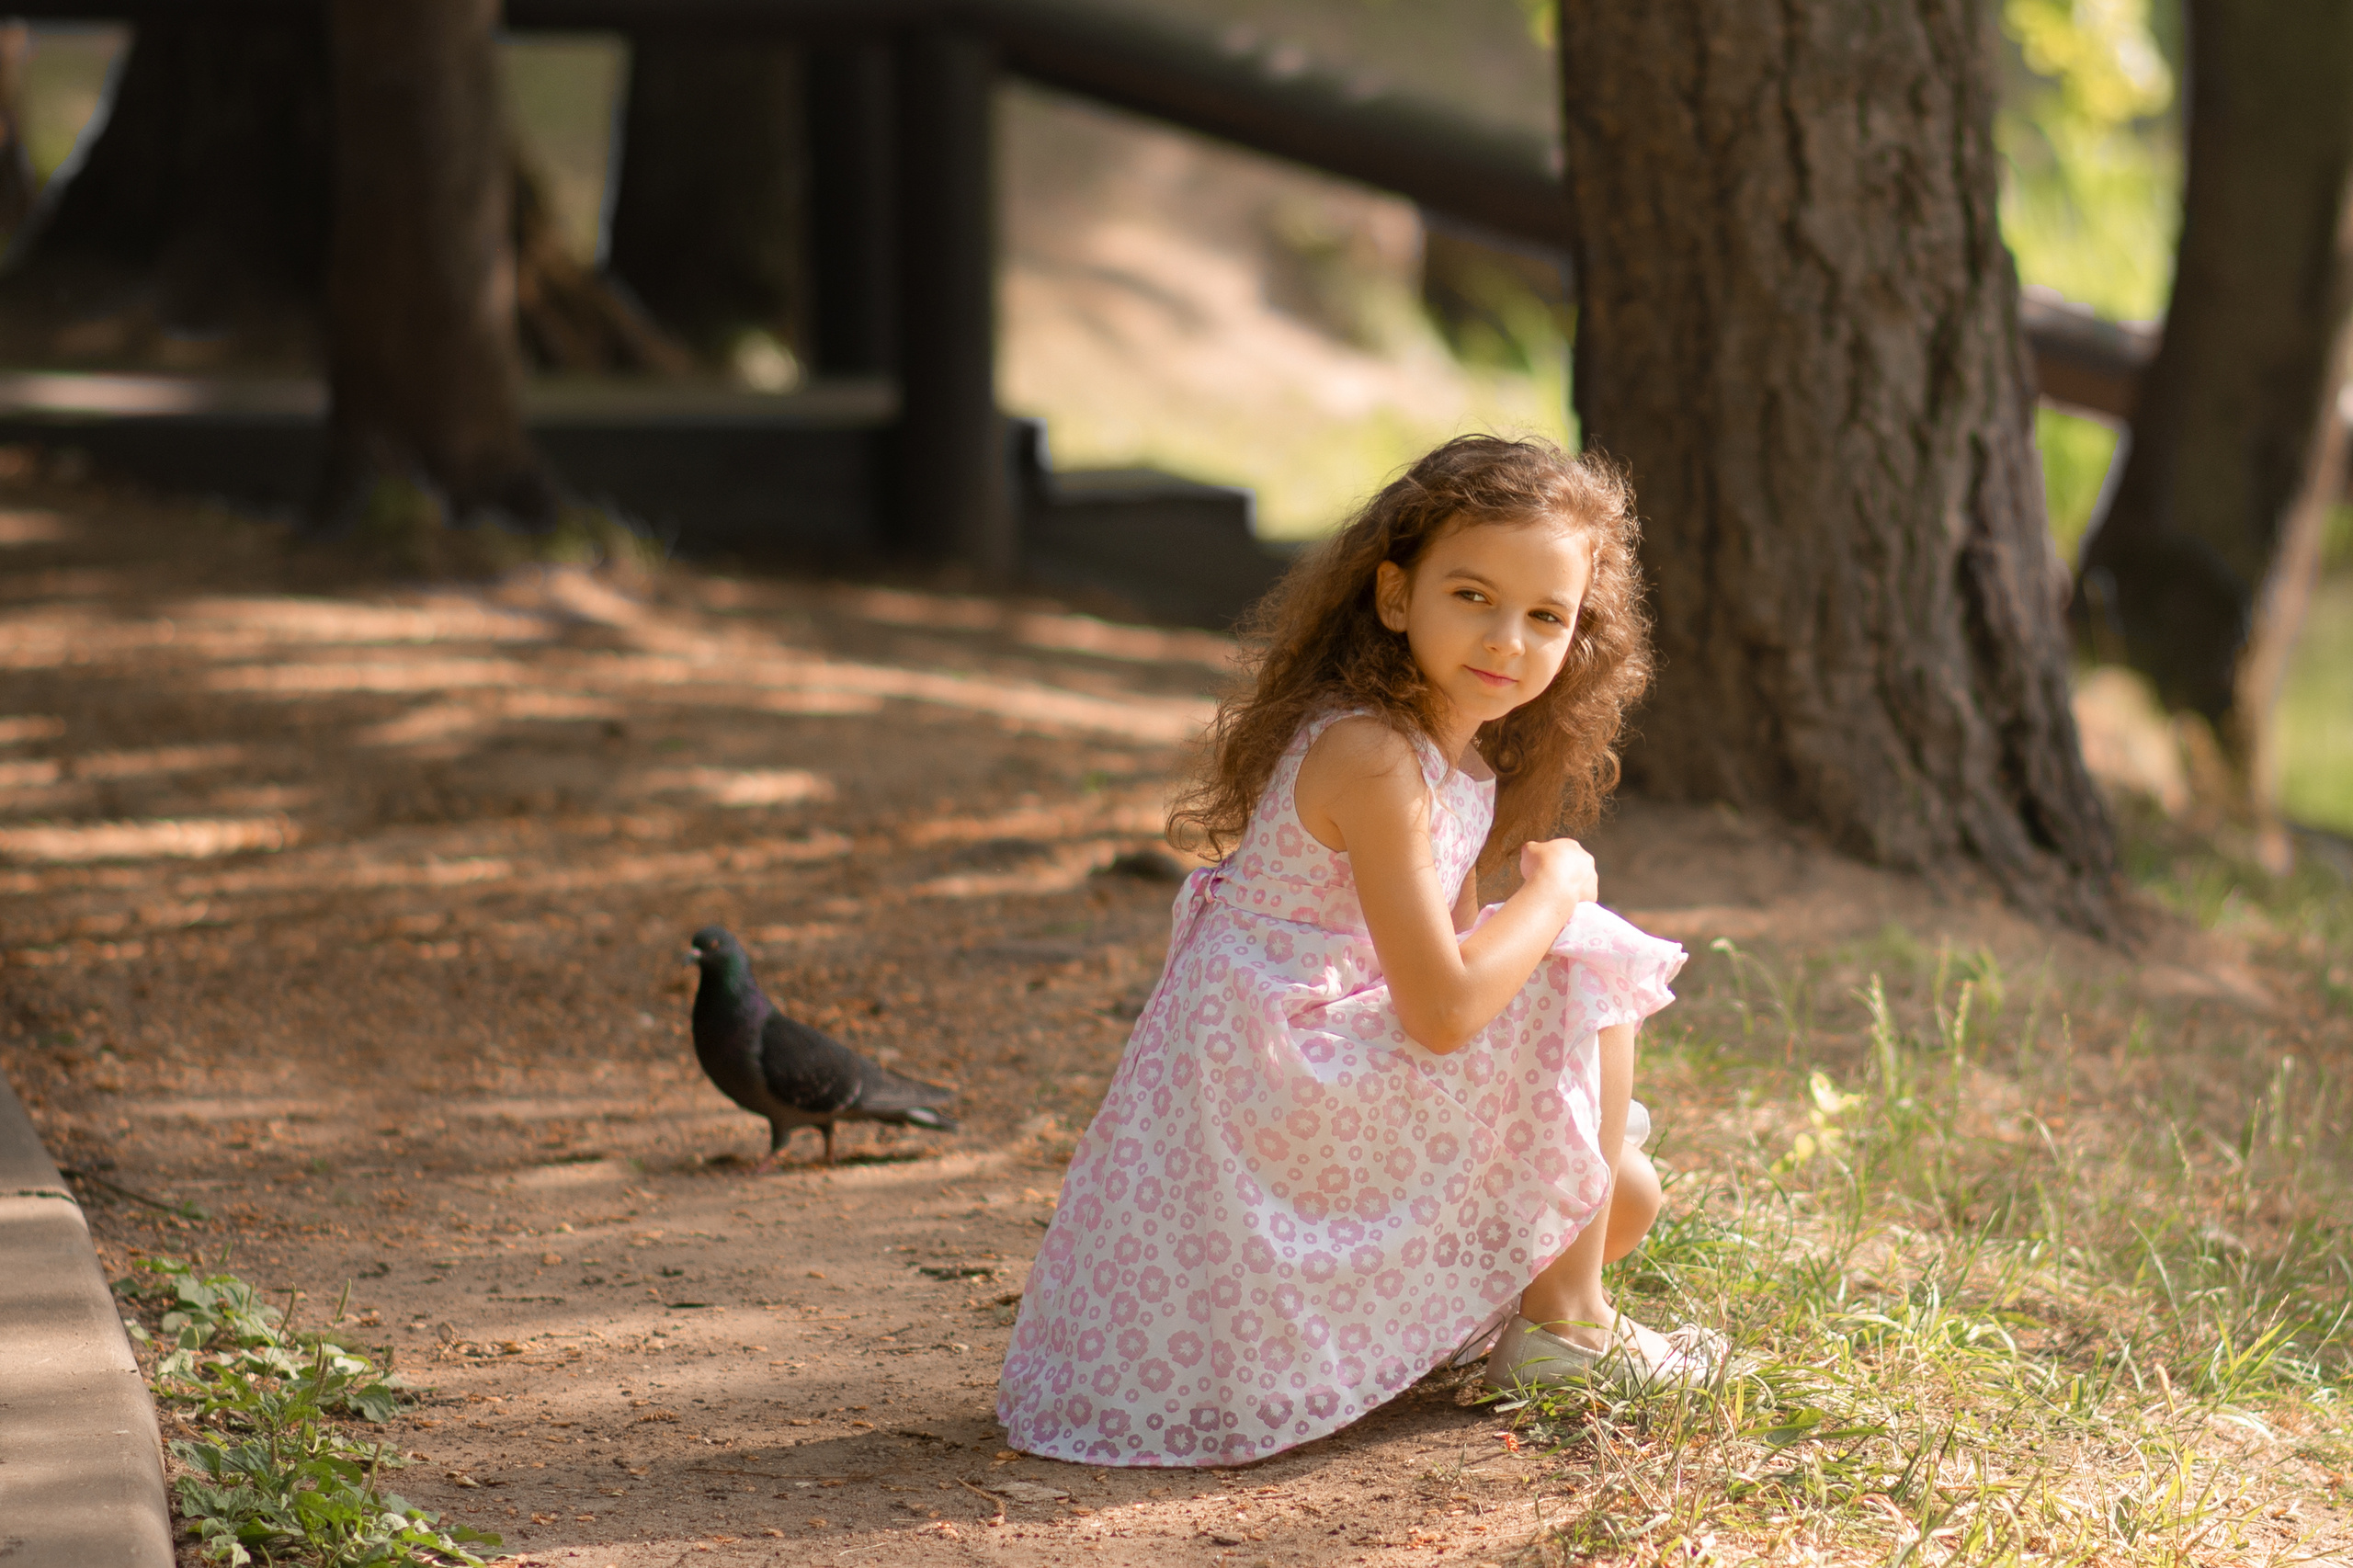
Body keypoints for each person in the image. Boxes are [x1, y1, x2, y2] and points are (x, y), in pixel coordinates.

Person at [997, 436, 1716, 1469]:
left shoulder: (1451, 757)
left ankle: (1546, 1301)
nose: (1507, 638)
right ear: (1392, 595)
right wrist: (1557, 892)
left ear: (1577, 636)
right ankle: (1566, 1331)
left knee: (1619, 1189)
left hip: (1309, 1073)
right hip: (1274, 1088)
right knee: (1581, 954)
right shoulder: (1372, 755)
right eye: (1471, 594)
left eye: (1545, 615)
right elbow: (1443, 1009)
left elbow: (1454, 966)